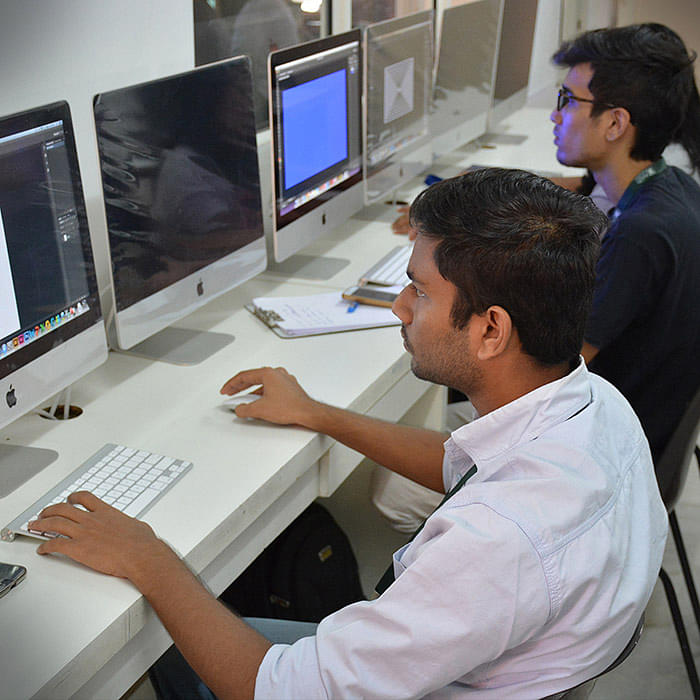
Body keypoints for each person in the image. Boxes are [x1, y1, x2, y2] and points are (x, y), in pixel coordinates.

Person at [30, 169, 667, 699]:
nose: (399, 307)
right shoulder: (595, 405)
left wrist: (147, 556)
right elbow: (462, 464)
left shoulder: (496, 542)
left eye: (419, 291)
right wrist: (320, 415)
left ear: (491, 330)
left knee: (166, 644)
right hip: (503, 664)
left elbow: (272, 690)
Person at [551, 24, 700, 464]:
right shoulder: (675, 189)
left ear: (615, 122)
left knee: (394, 489)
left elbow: (555, 375)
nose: (556, 117)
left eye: (568, 100)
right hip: (636, 432)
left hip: (599, 459)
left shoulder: (640, 232)